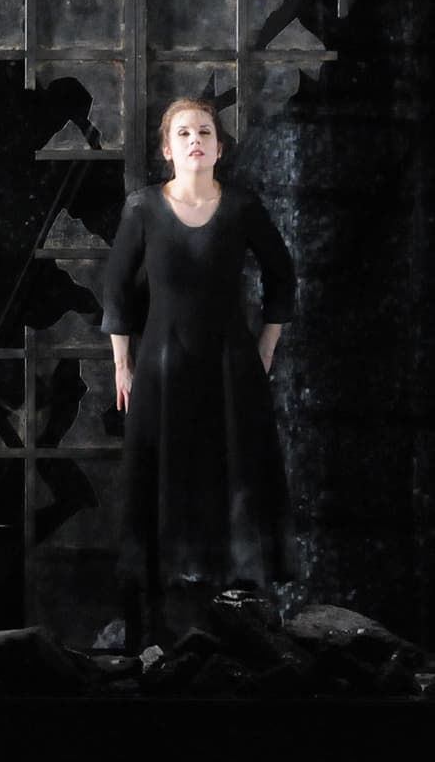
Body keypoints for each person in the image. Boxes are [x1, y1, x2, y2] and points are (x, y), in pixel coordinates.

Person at [102, 97, 295, 642]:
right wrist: (122, 364)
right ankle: (157, 624)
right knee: (161, 476)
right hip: (161, 367)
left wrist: (266, 346)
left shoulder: (242, 207)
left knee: (234, 473)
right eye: (184, 133)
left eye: (205, 132)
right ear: (167, 149)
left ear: (218, 147)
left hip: (231, 367)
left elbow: (282, 275)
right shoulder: (142, 208)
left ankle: (237, 616)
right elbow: (116, 289)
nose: (195, 141)